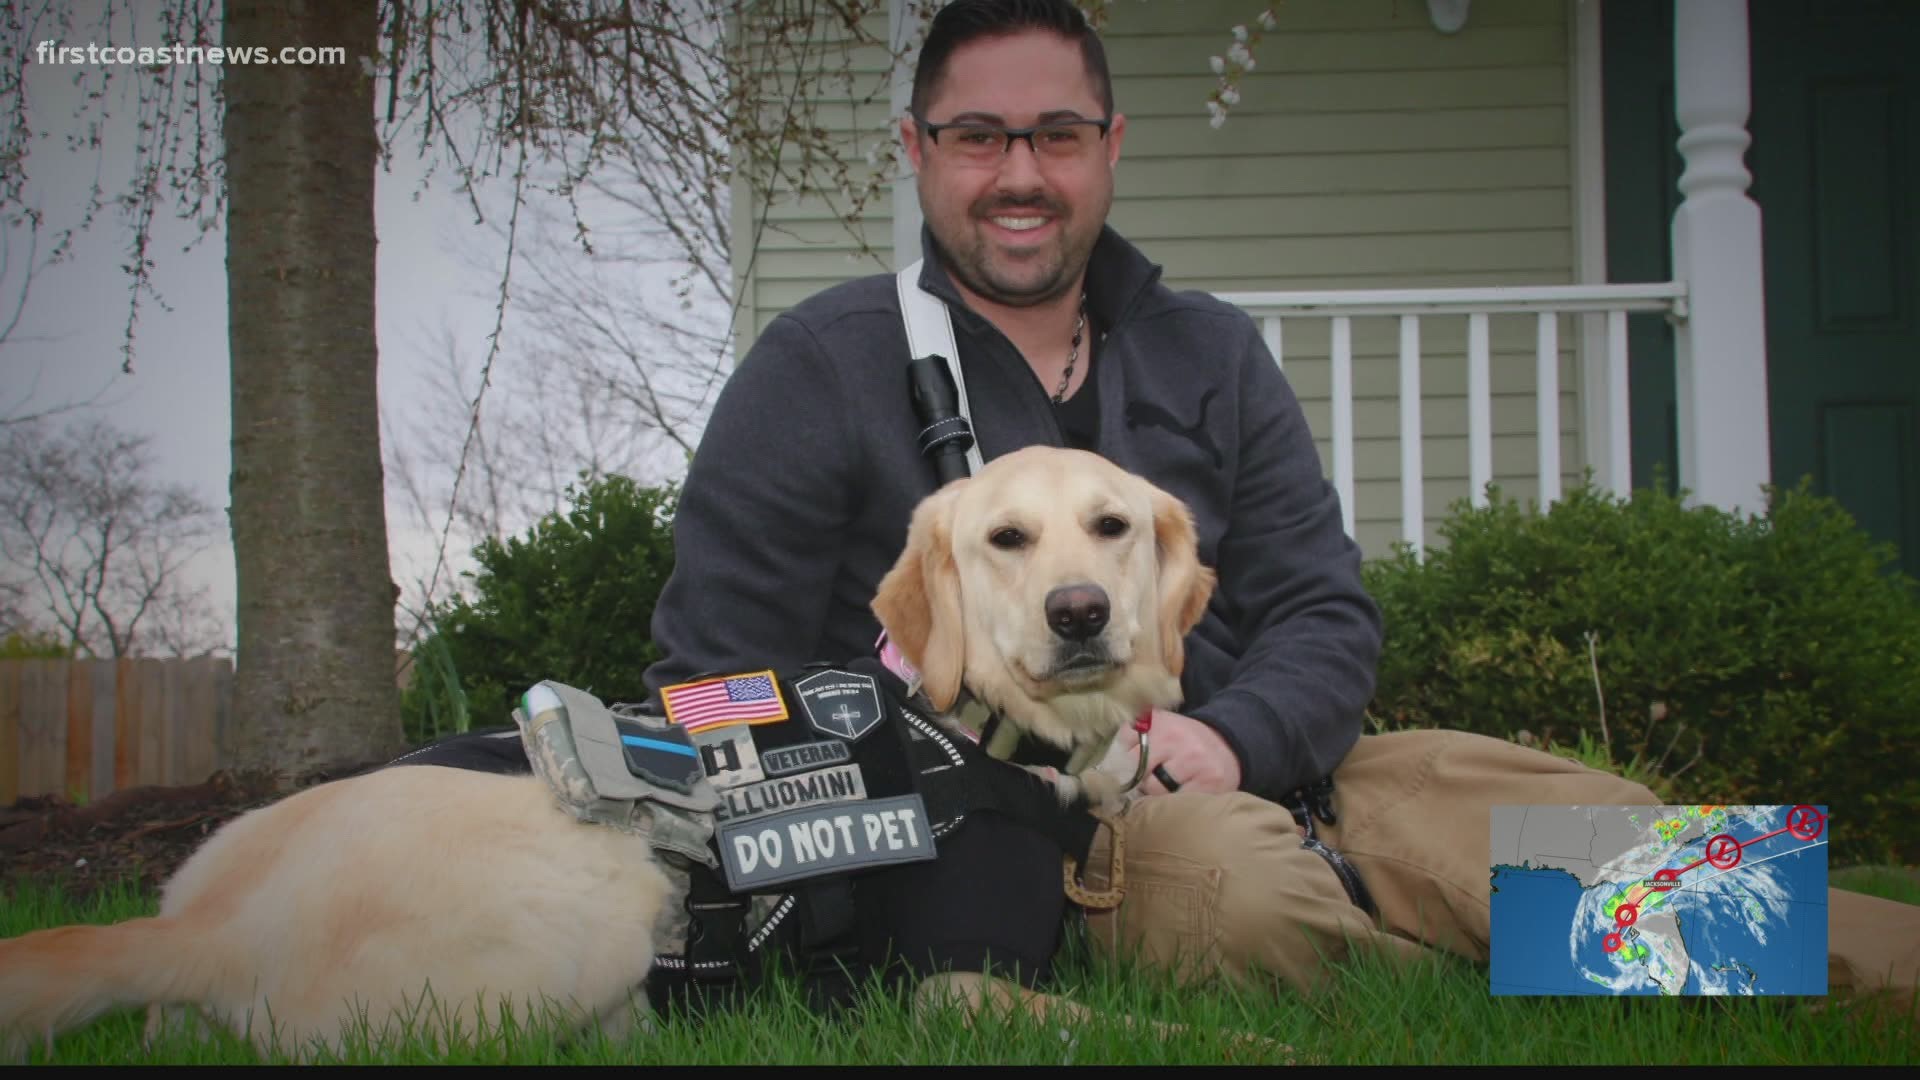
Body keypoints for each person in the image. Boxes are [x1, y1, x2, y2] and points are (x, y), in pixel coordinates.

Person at [641, 0, 1919, 1015]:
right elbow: (707, 680)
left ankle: (1842, 960)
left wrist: (1236, 741)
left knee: (1562, 825)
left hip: (1277, 765)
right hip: (1048, 837)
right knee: (1253, 902)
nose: (1018, 173)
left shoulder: (1210, 352)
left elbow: (1322, 609)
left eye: (1057, 135)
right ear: (919, 152)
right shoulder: (819, 367)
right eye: (978, 136)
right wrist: (946, 777)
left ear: (1112, 147)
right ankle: (1513, 962)